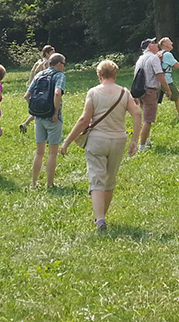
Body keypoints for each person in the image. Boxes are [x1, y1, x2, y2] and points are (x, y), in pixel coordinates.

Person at [59, 60, 142, 232]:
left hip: (97, 141)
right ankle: (101, 216)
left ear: (99, 75)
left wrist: (67, 141)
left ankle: (100, 219)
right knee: (109, 181)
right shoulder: (124, 93)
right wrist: (135, 139)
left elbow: (83, 120)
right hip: (118, 140)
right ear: (116, 74)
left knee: (97, 180)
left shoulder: (94, 93)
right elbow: (137, 114)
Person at [29, 53, 67, 188]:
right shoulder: (59, 76)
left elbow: (27, 95)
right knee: (52, 152)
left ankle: (33, 183)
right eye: (63, 63)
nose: (64, 66)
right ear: (58, 64)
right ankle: (49, 184)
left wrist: (35, 110)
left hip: (38, 117)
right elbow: (57, 93)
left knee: (39, 152)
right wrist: (55, 112)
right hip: (52, 118)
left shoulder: (39, 75)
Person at [133, 38, 172, 152]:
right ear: (150, 46)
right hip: (150, 91)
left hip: (140, 91)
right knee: (148, 120)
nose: (157, 45)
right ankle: (142, 147)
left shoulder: (141, 58)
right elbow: (160, 74)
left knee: (144, 117)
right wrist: (168, 90)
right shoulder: (154, 58)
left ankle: (146, 140)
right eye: (154, 43)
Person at [19, 45, 55, 134]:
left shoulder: (39, 61)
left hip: (33, 87)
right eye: (52, 52)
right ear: (47, 53)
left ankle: (25, 124)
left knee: (38, 109)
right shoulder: (46, 63)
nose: (54, 53)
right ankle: (43, 128)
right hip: (40, 88)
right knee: (42, 109)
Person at [158, 37, 179, 119]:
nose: (172, 43)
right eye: (169, 41)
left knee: (153, 100)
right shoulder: (168, 54)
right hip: (167, 80)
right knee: (177, 96)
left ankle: (149, 116)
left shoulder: (158, 53)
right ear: (164, 44)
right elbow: (177, 65)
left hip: (157, 80)